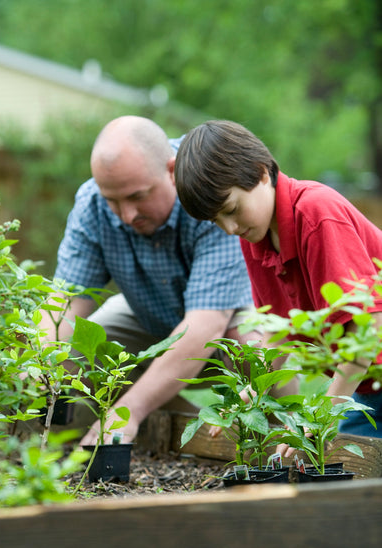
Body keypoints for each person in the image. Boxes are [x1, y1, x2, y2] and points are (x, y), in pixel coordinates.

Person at [39, 115, 256, 446]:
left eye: (137, 196)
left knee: (254, 347)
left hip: (228, 316)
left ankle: (279, 438)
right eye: (114, 201)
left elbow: (205, 326)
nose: (126, 215)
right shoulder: (92, 204)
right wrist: (38, 362)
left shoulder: (208, 185)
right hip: (148, 316)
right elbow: (64, 304)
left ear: (171, 171)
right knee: (83, 350)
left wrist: (129, 410)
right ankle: (189, 432)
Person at [174, 118, 382, 438]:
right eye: (216, 221)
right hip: (368, 387)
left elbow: (368, 326)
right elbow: (277, 331)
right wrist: (254, 392)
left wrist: (321, 414)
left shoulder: (315, 213)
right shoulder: (253, 237)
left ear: (260, 172)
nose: (228, 228)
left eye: (230, 210)